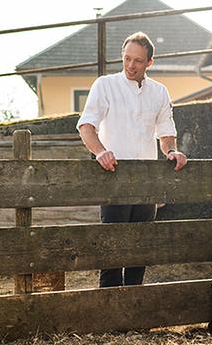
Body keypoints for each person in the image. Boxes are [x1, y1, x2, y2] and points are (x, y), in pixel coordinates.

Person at [76, 31, 188, 287]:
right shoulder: (105, 85)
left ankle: (135, 307)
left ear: (149, 63)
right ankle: (109, 312)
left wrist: (171, 151)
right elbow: (86, 126)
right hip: (113, 176)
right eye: (126, 58)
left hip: (147, 181)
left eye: (137, 60)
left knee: (140, 249)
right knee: (112, 250)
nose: (130, 65)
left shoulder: (159, 92)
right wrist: (100, 151)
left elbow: (166, 132)